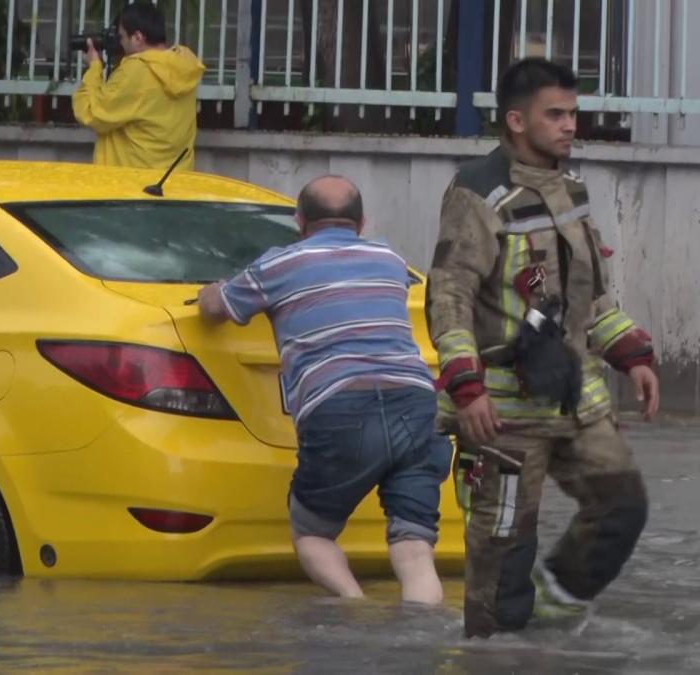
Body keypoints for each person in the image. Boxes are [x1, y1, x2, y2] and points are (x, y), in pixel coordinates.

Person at [427, 58, 659, 639]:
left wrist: (632, 354)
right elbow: (449, 295)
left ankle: (555, 608)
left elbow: (589, 296)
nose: (569, 125)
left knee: (623, 506)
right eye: (554, 114)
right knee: (502, 566)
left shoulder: (571, 189)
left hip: (575, 397)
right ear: (515, 120)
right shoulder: (476, 193)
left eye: (572, 114)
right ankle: (496, 651)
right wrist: (466, 385)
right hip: (501, 416)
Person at [197, 176, 451, 605]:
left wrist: (211, 289)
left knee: (312, 532)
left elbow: (215, 309)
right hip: (417, 403)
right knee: (414, 548)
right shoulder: (389, 258)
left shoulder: (279, 266)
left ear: (300, 221)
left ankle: (351, 607)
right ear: (362, 221)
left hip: (339, 407)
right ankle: (421, 642)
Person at [71, 1, 205, 171]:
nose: (120, 43)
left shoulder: (136, 71)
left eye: (121, 37)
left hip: (133, 185)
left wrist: (94, 67)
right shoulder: (183, 66)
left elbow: (91, 112)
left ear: (138, 38)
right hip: (173, 184)